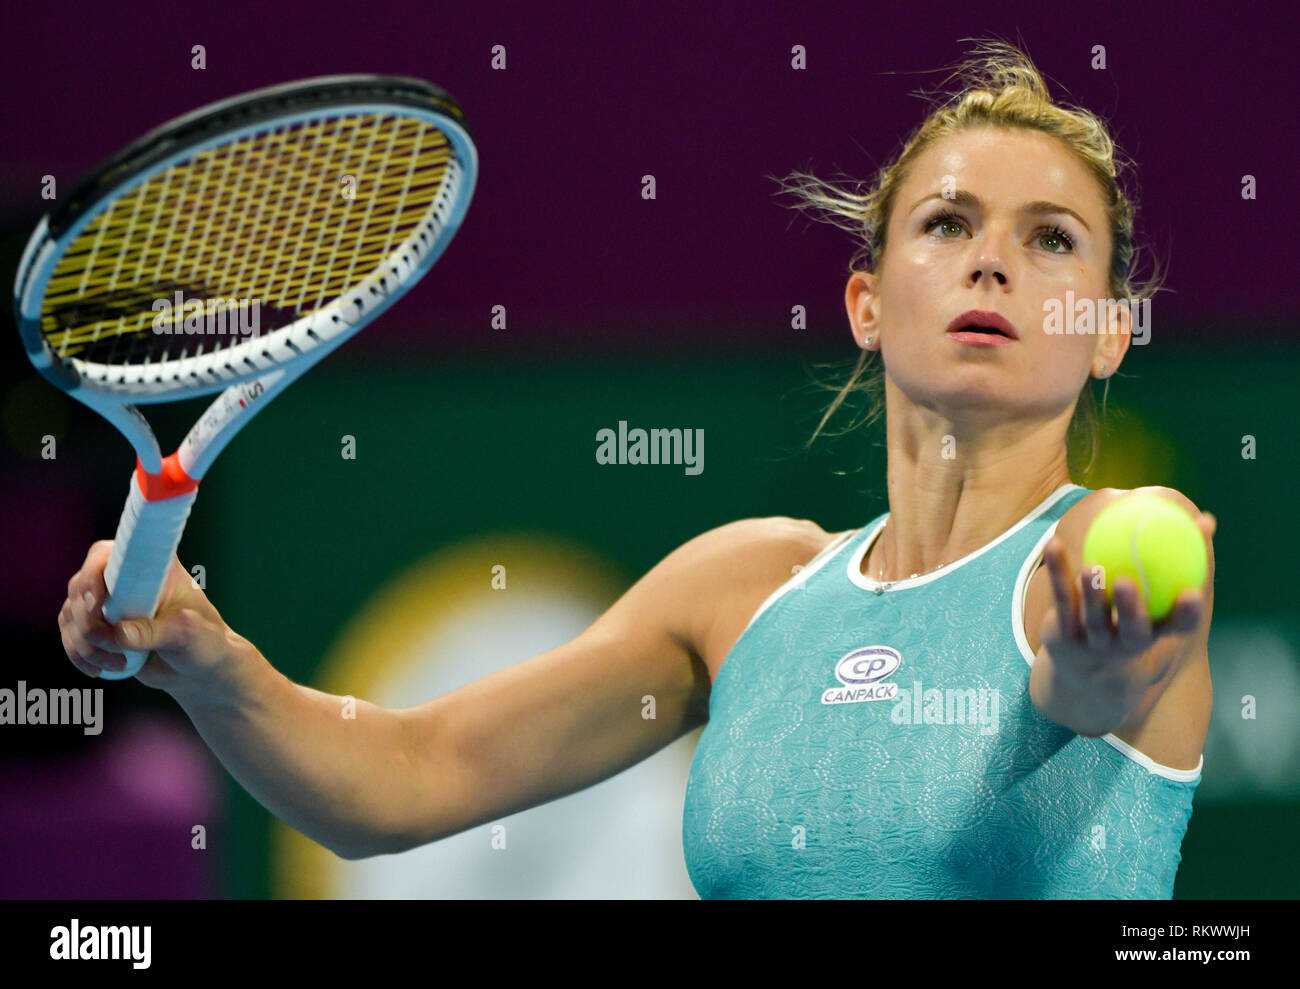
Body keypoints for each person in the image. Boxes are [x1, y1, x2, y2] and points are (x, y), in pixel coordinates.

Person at [58, 40, 1215, 898]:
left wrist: (1096, 661)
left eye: (1050, 237)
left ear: (1109, 327)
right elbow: (405, 777)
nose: (995, 263)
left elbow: (1092, 680)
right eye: (948, 225)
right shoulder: (743, 589)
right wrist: (211, 665)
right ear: (868, 303)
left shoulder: (1108, 541)